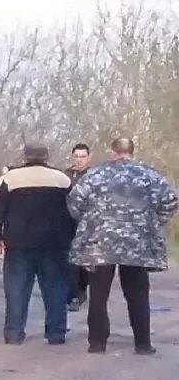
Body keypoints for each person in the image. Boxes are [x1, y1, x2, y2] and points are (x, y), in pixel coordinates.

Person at [68, 138, 178, 355]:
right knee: (137, 293)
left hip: (99, 242)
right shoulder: (149, 175)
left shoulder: (96, 175)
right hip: (137, 243)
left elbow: (74, 201)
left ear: (113, 153)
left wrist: (89, 220)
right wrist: (153, 222)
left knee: (98, 293)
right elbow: (171, 201)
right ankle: (143, 343)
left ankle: (97, 343)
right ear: (131, 152)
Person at [0, 144, 73, 345]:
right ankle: (56, 333)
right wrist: (71, 236)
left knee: (16, 288)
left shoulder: (11, 179)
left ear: (25, 157)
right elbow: (74, 211)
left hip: (19, 243)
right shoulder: (62, 179)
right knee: (55, 288)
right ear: (46, 157)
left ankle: (13, 333)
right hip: (54, 242)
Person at [65, 143, 92, 312]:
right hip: (69, 223)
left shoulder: (94, 176)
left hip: (89, 223)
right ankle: (74, 295)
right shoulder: (65, 176)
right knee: (71, 261)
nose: (79, 160)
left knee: (86, 262)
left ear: (88, 158)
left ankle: (83, 289)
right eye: (77, 156)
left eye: (83, 157)